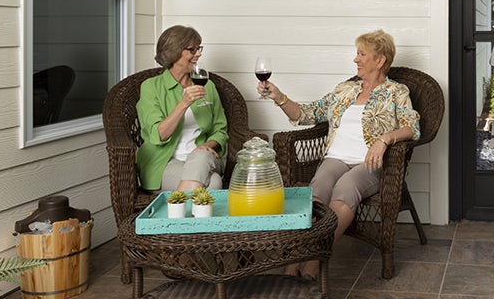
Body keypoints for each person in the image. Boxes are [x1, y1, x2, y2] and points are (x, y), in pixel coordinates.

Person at [258, 29, 420, 279]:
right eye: (357, 53)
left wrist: (384, 140)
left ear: (380, 60)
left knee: (346, 187)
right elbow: (306, 114)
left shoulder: (396, 92)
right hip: (336, 157)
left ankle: (313, 261)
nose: (355, 59)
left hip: (370, 162)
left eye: (362, 54)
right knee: (318, 189)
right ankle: (291, 268)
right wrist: (278, 98)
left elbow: (412, 127)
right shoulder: (345, 90)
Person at [136, 25, 228, 192]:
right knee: (214, 185)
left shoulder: (209, 87)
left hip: (205, 157)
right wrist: (184, 103)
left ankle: (174, 209)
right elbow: (159, 135)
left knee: (199, 156)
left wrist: (206, 146)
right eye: (192, 50)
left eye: (199, 48)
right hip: (165, 162)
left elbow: (220, 130)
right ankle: (187, 213)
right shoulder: (151, 87)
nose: (198, 54)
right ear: (174, 52)